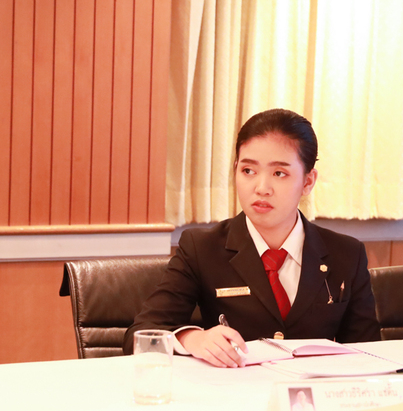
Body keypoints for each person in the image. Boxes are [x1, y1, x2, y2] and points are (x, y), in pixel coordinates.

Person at [124, 109, 380, 366]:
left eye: (279, 173)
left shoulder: (346, 254)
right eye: (248, 170)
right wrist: (191, 338)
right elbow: (140, 335)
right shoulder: (201, 249)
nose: (261, 188)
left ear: (308, 182)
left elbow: (370, 354)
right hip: (234, 387)